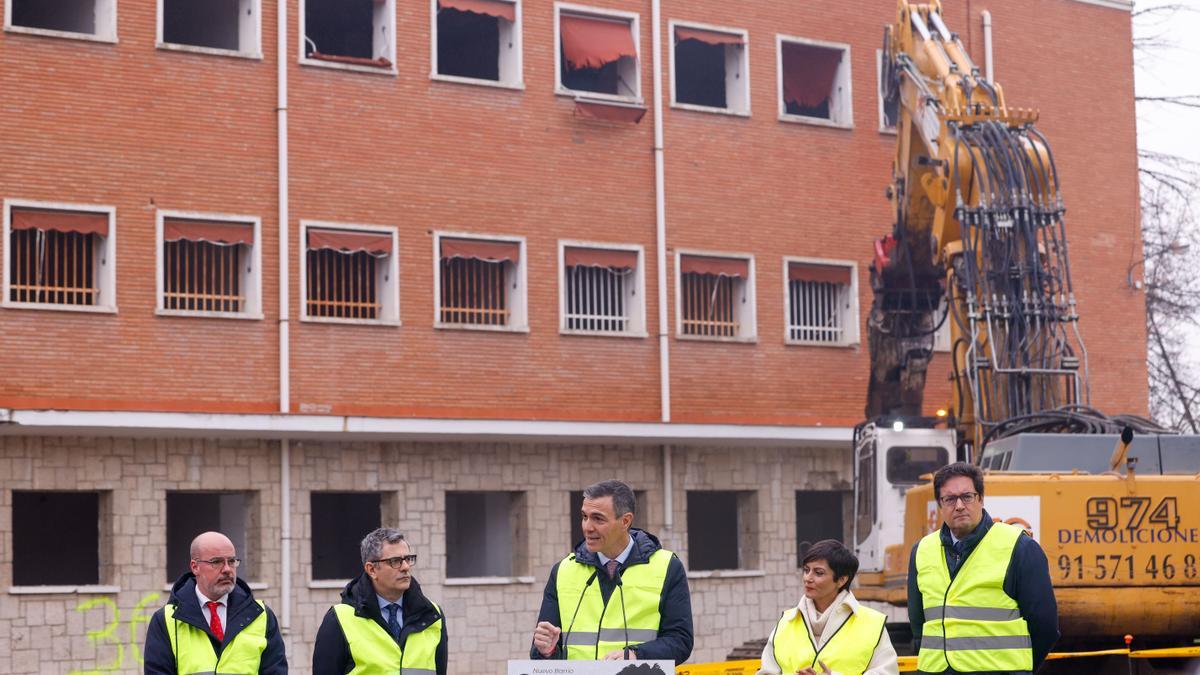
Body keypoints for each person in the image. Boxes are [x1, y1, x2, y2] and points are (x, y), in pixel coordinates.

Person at [908, 462, 1059, 674]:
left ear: (980, 499)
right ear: (940, 505)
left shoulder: (1019, 547)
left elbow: (1045, 626)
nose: (959, 505)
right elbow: (918, 626)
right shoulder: (922, 551)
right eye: (950, 499)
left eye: (967, 496)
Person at [530, 479, 693, 662]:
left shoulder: (667, 568)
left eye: (598, 519)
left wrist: (636, 655)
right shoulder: (562, 571)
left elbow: (680, 641)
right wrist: (547, 651)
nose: (587, 527)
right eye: (585, 517)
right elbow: (540, 652)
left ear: (625, 521)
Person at [143, 531, 287, 675]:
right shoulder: (167, 620)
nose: (227, 569)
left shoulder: (261, 615)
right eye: (217, 562)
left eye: (231, 561)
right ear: (195, 567)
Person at [313, 528, 447, 675]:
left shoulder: (433, 616)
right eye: (395, 561)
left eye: (408, 559)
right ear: (371, 569)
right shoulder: (339, 619)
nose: (406, 567)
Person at [758, 539, 899, 675]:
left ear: (842, 580)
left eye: (818, 572)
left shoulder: (871, 624)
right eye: (806, 570)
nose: (808, 578)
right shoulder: (786, 622)